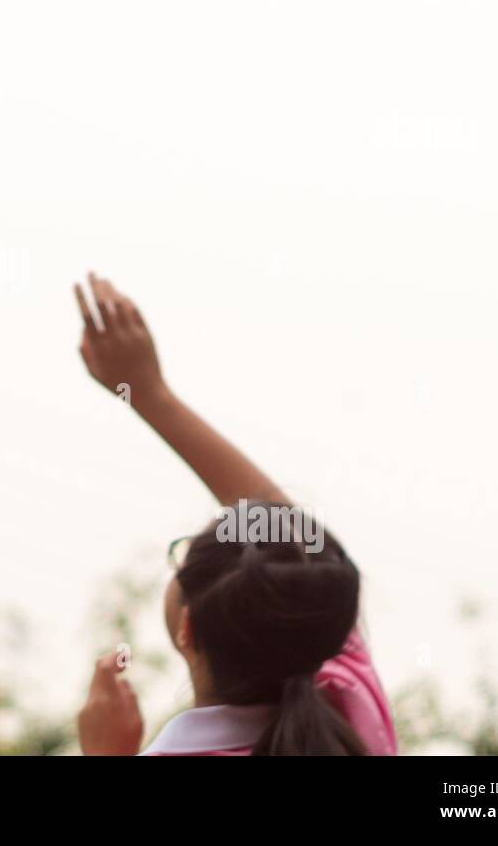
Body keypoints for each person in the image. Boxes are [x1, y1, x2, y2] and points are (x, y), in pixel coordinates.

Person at [72, 273, 396, 756]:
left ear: (189, 630)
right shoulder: (347, 710)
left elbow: (295, 548)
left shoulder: (346, 696)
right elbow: (296, 546)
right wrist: (149, 393)